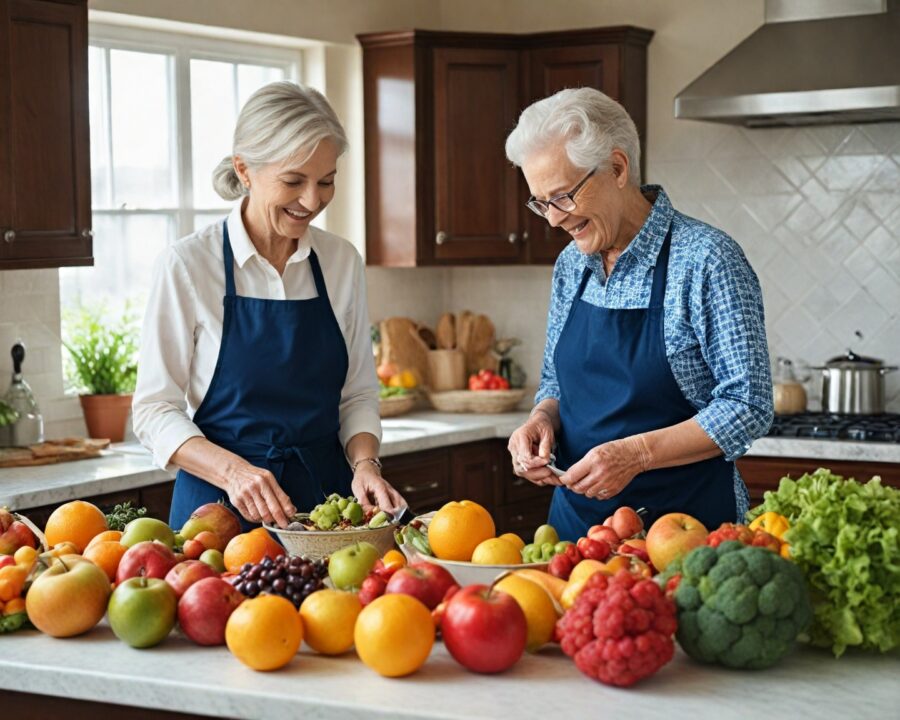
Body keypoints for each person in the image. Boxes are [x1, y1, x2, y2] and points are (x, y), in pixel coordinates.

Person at [133, 81, 405, 531]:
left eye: (326, 181)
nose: (312, 201)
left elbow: (356, 393)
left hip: (327, 511)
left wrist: (365, 464)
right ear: (244, 169)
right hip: (218, 512)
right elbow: (154, 410)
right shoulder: (188, 265)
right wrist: (234, 473)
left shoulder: (340, 261)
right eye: (294, 181)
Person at [505, 87, 773, 541]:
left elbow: (749, 406)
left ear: (617, 168)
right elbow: (554, 381)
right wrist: (541, 420)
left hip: (687, 533)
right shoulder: (572, 265)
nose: (552, 220)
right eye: (541, 202)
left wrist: (638, 453)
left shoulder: (707, 260)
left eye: (563, 197)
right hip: (575, 537)